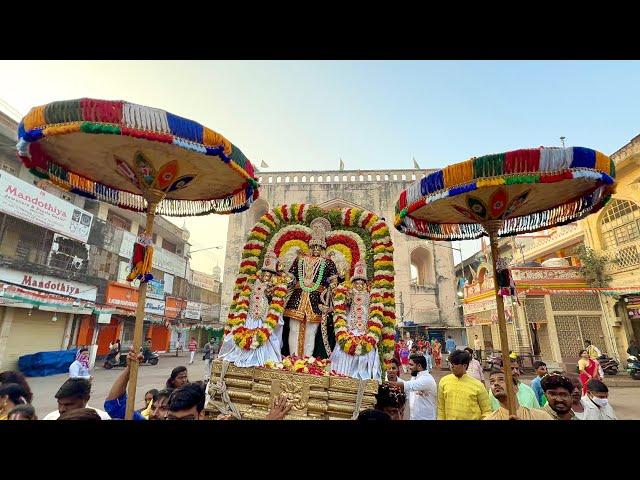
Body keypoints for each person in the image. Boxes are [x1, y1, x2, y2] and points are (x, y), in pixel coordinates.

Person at [282, 217, 339, 357]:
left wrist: (331, 290)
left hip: (316, 300)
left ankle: (306, 359)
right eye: (313, 246)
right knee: (294, 328)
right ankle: (292, 358)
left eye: (319, 247)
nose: (316, 249)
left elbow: (334, 282)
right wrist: (285, 279)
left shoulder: (328, 262)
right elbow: (291, 276)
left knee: (311, 330)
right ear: (310, 246)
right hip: (297, 298)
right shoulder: (300, 259)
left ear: (323, 248)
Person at [330, 260, 381, 380]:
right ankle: (342, 375)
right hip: (349, 327)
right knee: (343, 350)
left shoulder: (371, 296)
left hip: (365, 329)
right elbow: (341, 306)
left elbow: (374, 312)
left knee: (366, 353)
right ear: (352, 283)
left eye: (361, 283)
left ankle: (363, 378)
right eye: (356, 283)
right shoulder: (349, 293)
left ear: (365, 284)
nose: (359, 285)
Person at [437, 349, 492, 420]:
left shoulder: (478, 385)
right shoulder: (444, 381)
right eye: (451, 363)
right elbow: (441, 408)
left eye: (455, 363)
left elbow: (487, 411)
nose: (452, 366)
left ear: (465, 365)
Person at [484, 370, 553, 420]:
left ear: (515, 388)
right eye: (492, 381)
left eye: (501, 380)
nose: (496, 384)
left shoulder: (540, 416)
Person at [388, 354, 437, 420]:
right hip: (414, 417)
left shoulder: (427, 379)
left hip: (426, 418)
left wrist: (384, 383)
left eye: (411, 365)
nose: (409, 367)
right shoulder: (414, 377)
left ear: (419, 366)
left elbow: (407, 385)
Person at [42, 378, 111, 420]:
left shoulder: (103, 417)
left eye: (68, 404)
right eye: (59, 404)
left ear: (86, 399)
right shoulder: (51, 417)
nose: (61, 409)